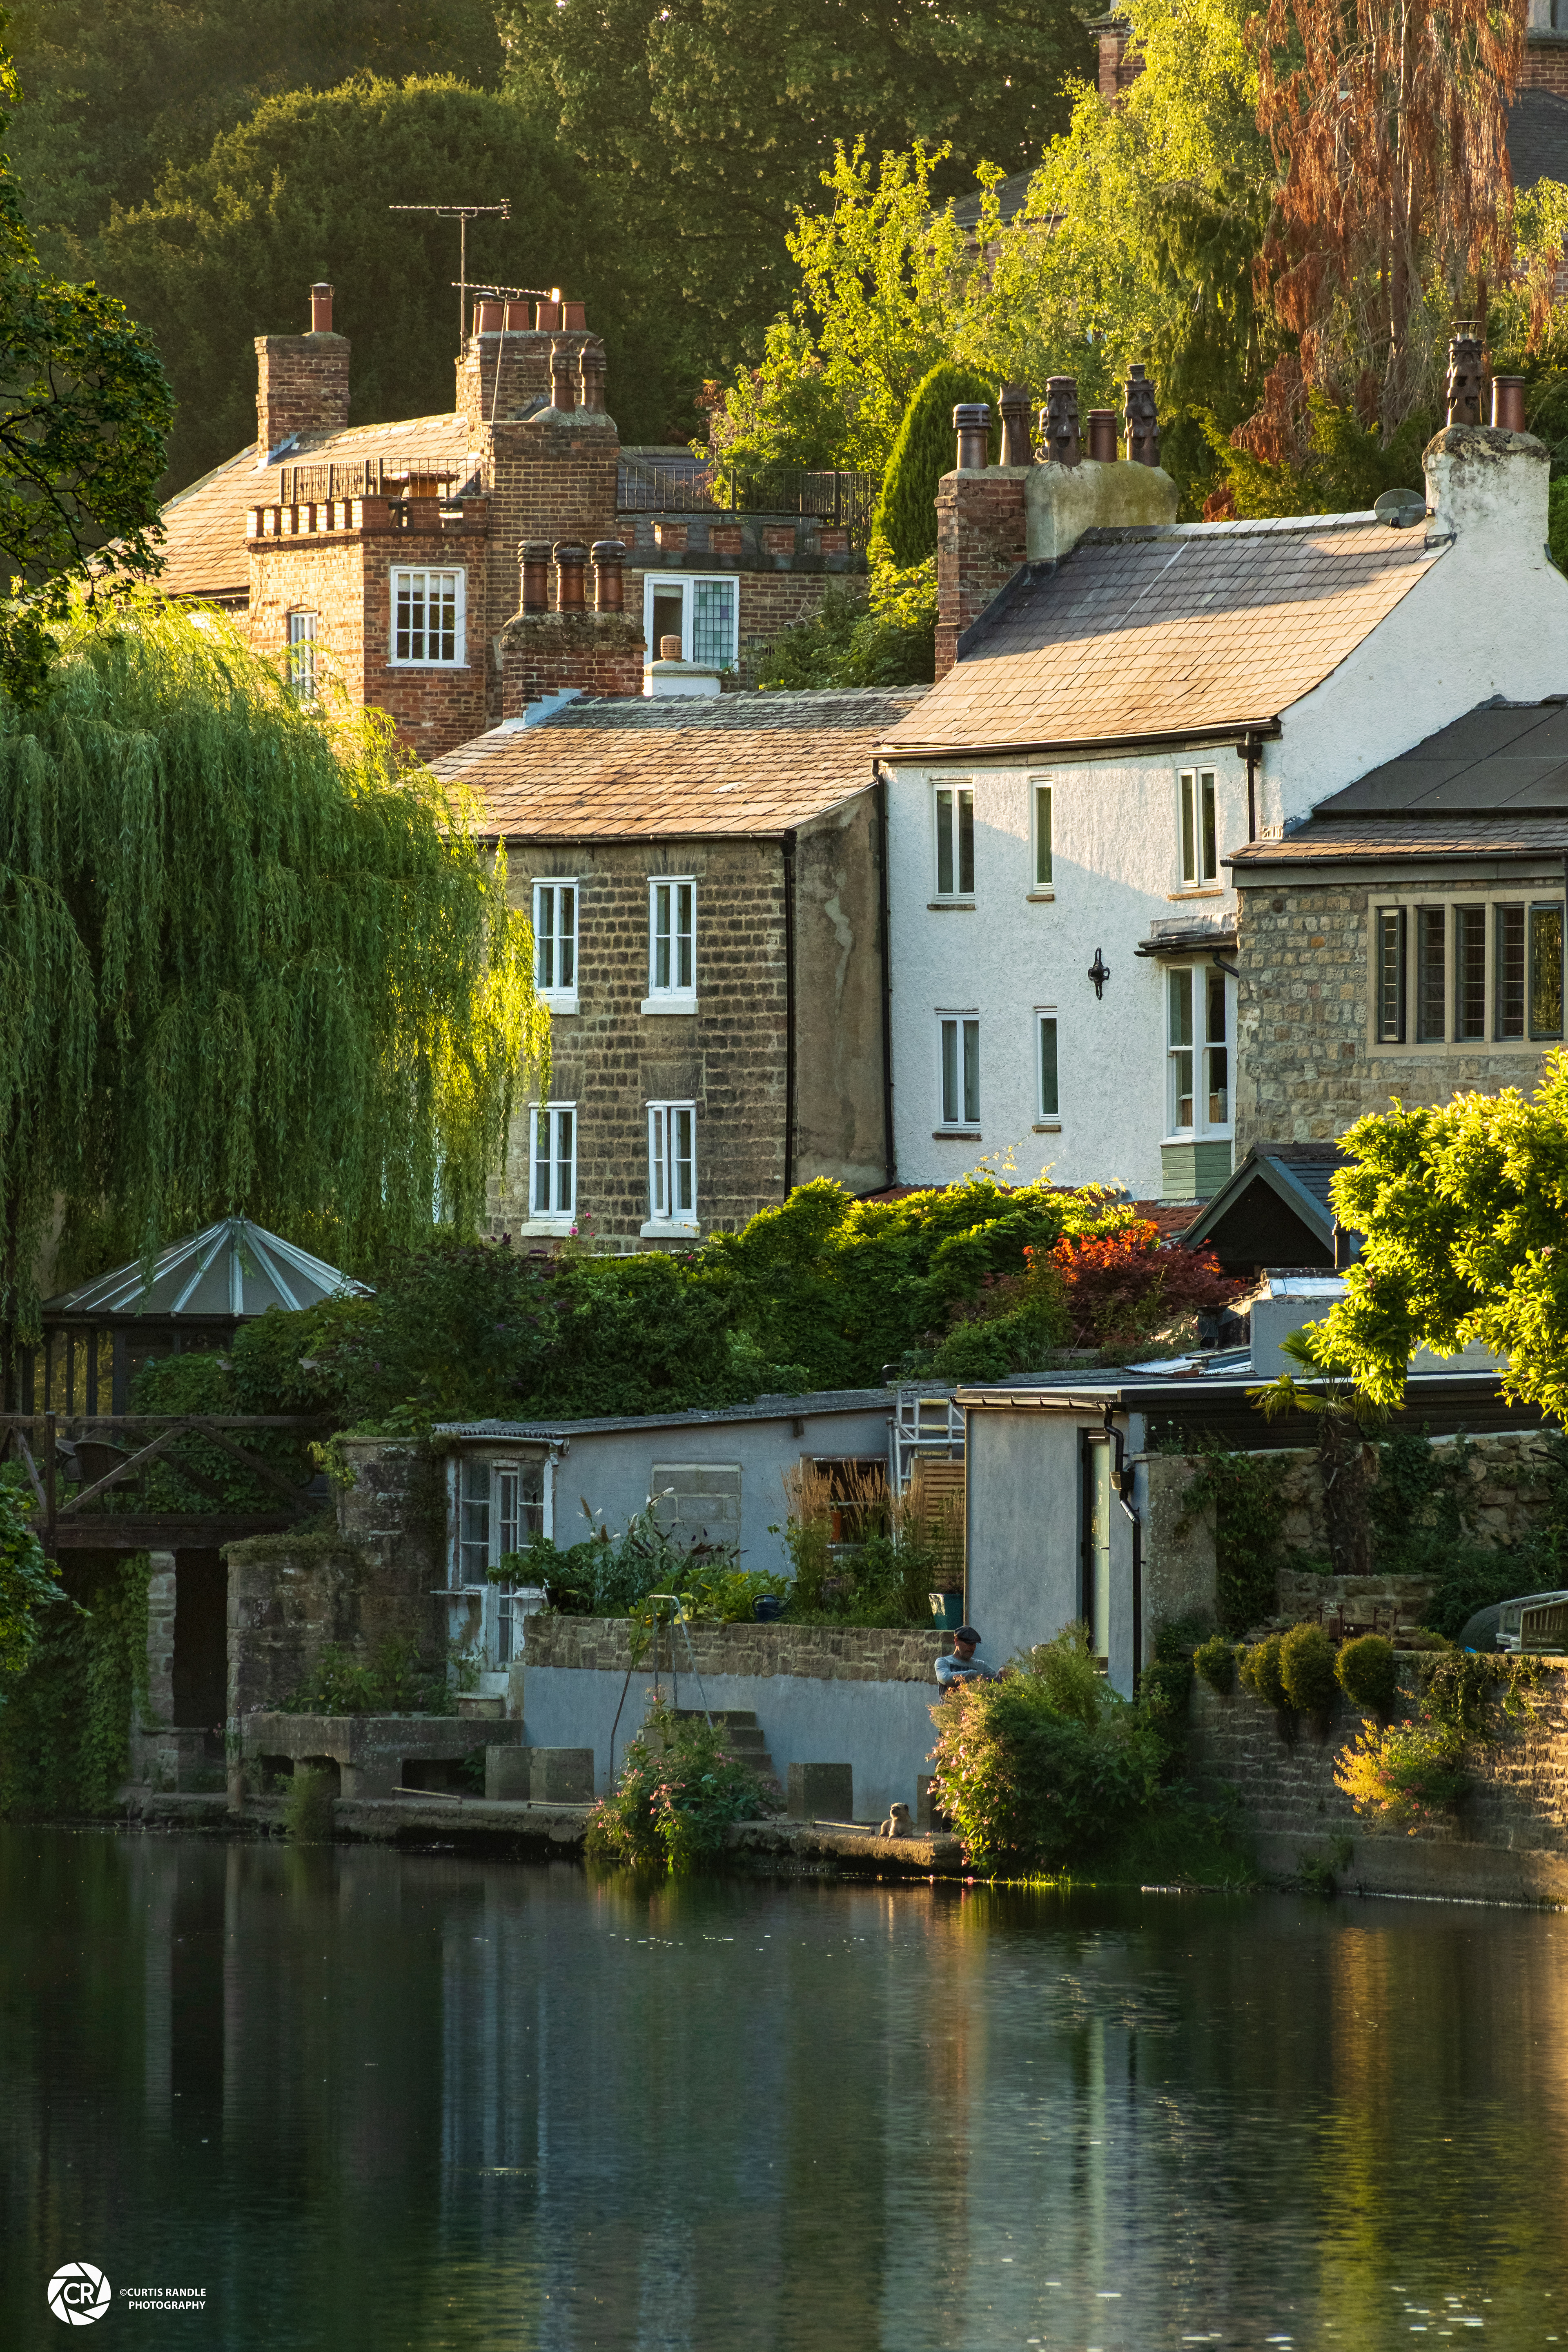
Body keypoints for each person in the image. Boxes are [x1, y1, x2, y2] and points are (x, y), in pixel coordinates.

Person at [935, 1626, 998, 1691]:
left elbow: (996, 1681)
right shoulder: (944, 1662)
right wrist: (973, 1675)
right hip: (950, 1702)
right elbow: (946, 1678)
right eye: (968, 1644)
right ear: (957, 1641)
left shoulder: (981, 1665)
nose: (971, 1648)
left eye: (974, 1644)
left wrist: (1003, 1671)